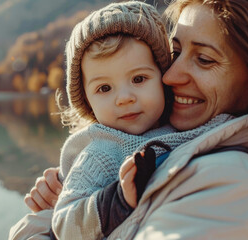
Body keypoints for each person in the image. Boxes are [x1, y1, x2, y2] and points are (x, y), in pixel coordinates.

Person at [10, 0, 248, 239]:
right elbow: (67, 223)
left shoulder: (236, 180)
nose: (171, 76)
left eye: (203, 59)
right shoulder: (100, 152)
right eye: (176, 52)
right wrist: (97, 201)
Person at [47, 2, 176, 239]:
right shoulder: (99, 153)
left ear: (163, 76)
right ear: (86, 100)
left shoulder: (184, 123)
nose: (124, 98)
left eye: (138, 79)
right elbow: (65, 224)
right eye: (105, 88)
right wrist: (117, 199)